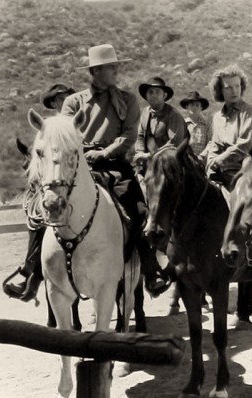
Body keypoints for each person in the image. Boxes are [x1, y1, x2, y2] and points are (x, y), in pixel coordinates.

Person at [59, 44, 171, 296]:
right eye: (110, 67)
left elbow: (129, 136)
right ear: (96, 71)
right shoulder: (72, 102)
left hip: (115, 165)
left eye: (115, 66)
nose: (115, 71)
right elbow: (65, 135)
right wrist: (83, 152)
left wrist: (104, 152)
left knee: (140, 212)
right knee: (51, 205)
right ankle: (33, 269)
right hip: (80, 165)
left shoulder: (128, 100)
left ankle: (151, 271)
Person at [201, 64, 252, 297]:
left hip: (244, 168)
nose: (234, 91)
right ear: (220, 91)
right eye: (228, 87)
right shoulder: (216, 117)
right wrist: (205, 160)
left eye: (237, 86)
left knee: (249, 214)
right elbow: (213, 144)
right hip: (218, 170)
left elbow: (244, 144)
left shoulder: (249, 112)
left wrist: (220, 159)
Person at [2, 83, 75, 301]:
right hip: (55, 179)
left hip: (79, 172)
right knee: (37, 218)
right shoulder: (48, 127)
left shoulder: (80, 119)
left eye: (68, 98)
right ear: (53, 104)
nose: (65, 102)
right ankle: (30, 272)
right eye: (60, 99)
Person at [133, 77, 187, 170]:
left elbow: (173, 145)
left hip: (172, 164)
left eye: (157, 92)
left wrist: (149, 155)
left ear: (164, 96)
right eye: (150, 92)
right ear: (146, 95)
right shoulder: (145, 112)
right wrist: (140, 153)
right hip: (149, 163)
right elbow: (140, 136)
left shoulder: (173, 115)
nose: (153, 95)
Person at [180, 91, 211, 162]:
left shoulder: (207, 125)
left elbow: (210, 143)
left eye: (197, 105)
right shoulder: (182, 124)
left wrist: (202, 156)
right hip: (185, 161)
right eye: (192, 105)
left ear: (201, 108)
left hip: (202, 162)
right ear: (187, 107)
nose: (194, 107)